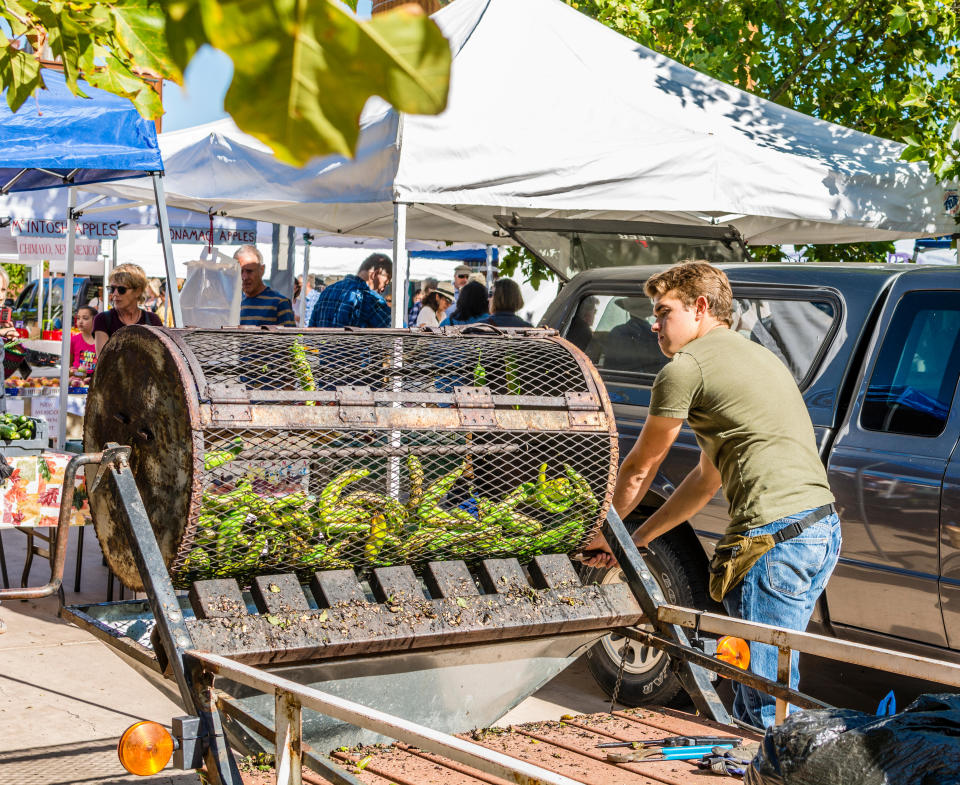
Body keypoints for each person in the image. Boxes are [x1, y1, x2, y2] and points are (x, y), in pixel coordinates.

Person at [581, 261, 840, 729]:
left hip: (775, 540)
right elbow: (706, 480)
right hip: (819, 531)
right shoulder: (755, 354)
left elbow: (641, 468)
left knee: (765, 703)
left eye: (664, 312)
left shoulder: (686, 368)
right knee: (764, 683)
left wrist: (606, 534)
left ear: (701, 308)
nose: (655, 326)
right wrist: (636, 539)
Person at [93, 263, 163, 355]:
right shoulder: (102, 319)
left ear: (138, 291)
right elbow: (103, 360)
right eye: (112, 289)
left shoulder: (153, 320)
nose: (115, 294)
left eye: (121, 289)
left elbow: (160, 357)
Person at [308, 253, 392, 328]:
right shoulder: (371, 299)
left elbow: (312, 327)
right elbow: (392, 332)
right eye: (385, 283)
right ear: (375, 274)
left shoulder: (327, 291)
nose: (383, 289)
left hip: (322, 345)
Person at [235, 245, 296, 327]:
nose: (244, 277)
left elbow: (291, 339)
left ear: (262, 270)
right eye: (240, 271)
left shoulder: (279, 303)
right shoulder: (233, 302)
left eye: (249, 271)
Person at [70, 305, 98, 382]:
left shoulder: (101, 340)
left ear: (95, 320)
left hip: (97, 381)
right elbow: (69, 366)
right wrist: (77, 375)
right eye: (78, 318)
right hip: (77, 380)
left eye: (85, 318)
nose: (80, 321)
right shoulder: (73, 340)